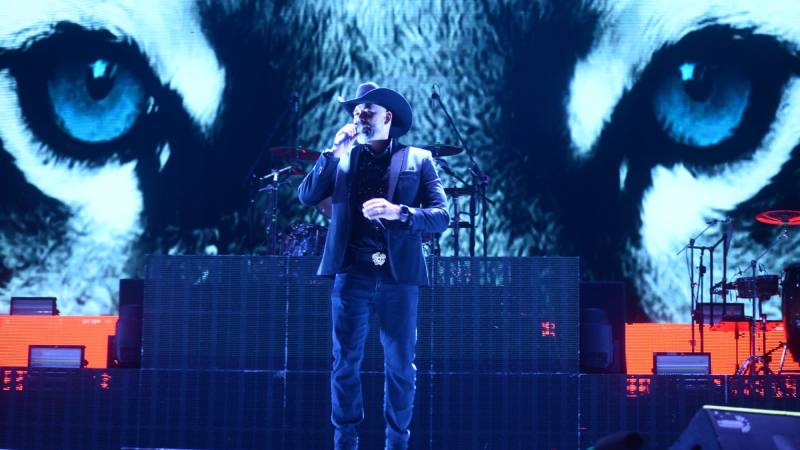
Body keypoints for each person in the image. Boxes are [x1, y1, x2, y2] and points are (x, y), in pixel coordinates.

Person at [298, 82, 449, 450]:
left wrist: (400, 212)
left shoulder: (418, 159)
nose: (359, 117)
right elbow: (306, 195)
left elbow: (442, 216)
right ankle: (345, 443)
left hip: (398, 276)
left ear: (387, 117)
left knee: (399, 366)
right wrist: (332, 153)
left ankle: (397, 443)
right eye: (355, 112)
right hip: (353, 273)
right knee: (344, 364)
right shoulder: (343, 159)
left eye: (367, 111)